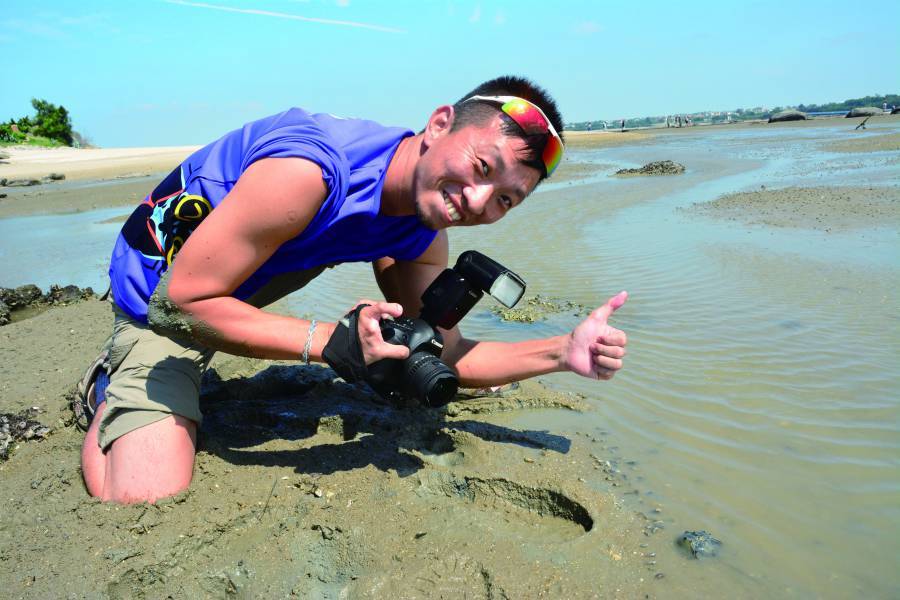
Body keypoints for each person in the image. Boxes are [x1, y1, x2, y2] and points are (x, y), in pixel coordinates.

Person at [80, 75, 629, 504]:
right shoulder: (310, 171)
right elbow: (181, 303)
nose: (479, 201)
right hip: (162, 299)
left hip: (244, 276)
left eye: (505, 199)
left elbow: (447, 351)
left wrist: (562, 352)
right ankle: (108, 387)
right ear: (439, 124)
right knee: (143, 494)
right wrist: (333, 341)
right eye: (482, 166)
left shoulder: (421, 228)